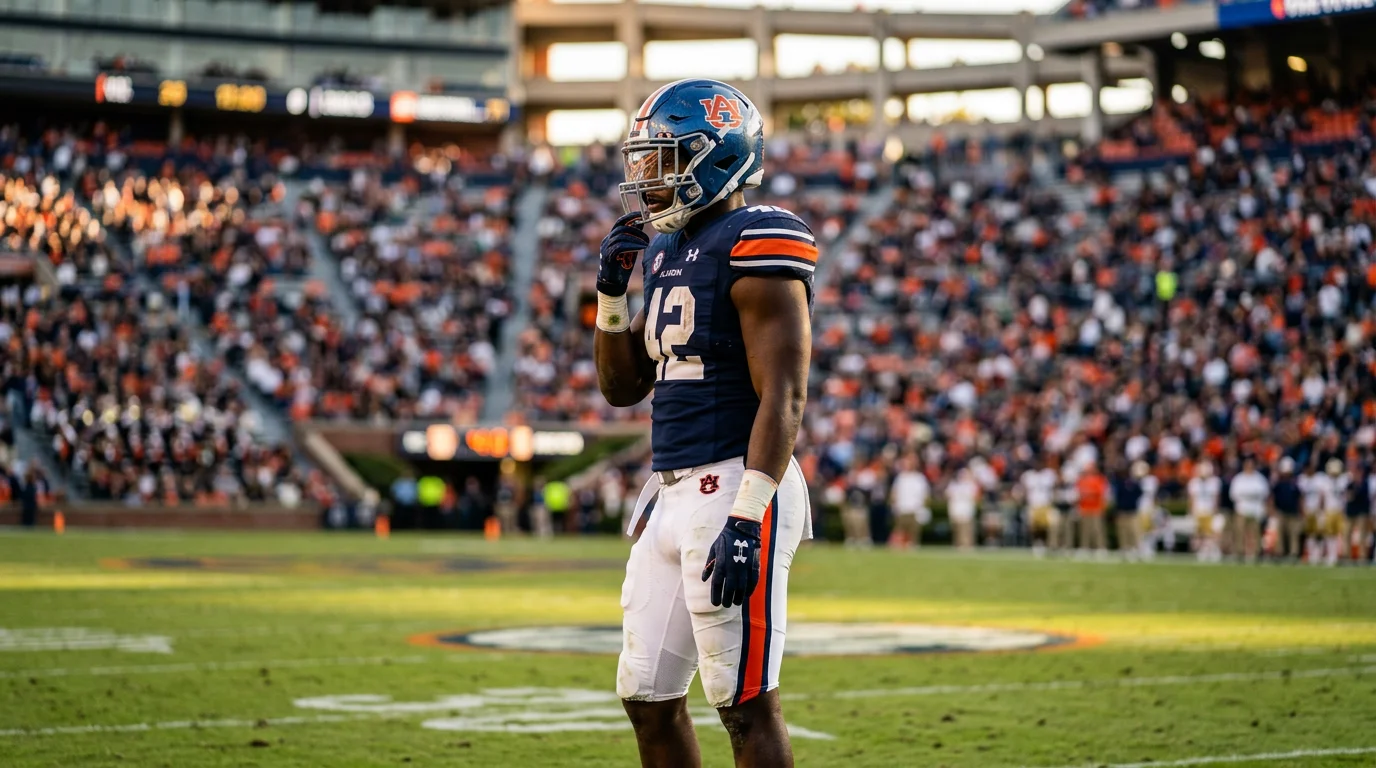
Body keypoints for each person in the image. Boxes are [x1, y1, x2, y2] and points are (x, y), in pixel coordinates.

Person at [594, 79, 814, 768]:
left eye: (663, 158)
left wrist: (748, 515)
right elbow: (622, 387)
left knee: (743, 703)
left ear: (715, 156)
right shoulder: (665, 249)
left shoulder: (757, 238)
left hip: (736, 482)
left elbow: (785, 393)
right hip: (670, 489)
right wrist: (610, 296)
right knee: (646, 696)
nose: (647, 176)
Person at [1228, 456, 1270, 563]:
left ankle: (1256, 553)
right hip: (1242, 510)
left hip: (1256, 511)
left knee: (1255, 533)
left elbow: (1265, 494)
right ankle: (1239, 553)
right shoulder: (1239, 479)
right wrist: (1251, 495)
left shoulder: (1259, 479)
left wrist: (1247, 495)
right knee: (1240, 532)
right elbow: (1233, 495)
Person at [888, 456, 930, 549]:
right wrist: (894, 505)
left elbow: (925, 494)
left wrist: (922, 507)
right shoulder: (900, 477)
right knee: (900, 530)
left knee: (913, 532)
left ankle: (912, 545)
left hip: (915, 509)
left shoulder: (920, 478)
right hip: (902, 508)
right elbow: (894, 492)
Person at [1314, 459, 1349, 567]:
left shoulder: (1344, 480)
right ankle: (1331, 556)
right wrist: (1320, 511)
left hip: (1340, 510)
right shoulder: (1325, 481)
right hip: (1329, 510)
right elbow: (1322, 497)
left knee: (1340, 534)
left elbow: (1346, 495)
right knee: (1329, 535)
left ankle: (1338, 556)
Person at [1021, 460, 1059, 557]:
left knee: (1049, 526)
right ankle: (1037, 544)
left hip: (1046, 504)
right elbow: (1024, 489)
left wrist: (1053, 498)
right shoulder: (1028, 476)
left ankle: (1050, 545)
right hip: (1033, 505)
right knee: (1034, 527)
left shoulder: (1049, 474)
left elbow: (1056, 485)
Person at [1188, 462, 1223, 563]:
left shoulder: (1214, 482)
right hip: (1198, 510)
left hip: (1209, 510)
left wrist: (1215, 510)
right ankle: (1202, 551)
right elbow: (1192, 498)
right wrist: (1192, 511)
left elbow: (1216, 497)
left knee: (1211, 533)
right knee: (1200, 533)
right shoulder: (1194, 482)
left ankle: (1211, 551)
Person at [1271, 457, 1304, 561]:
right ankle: (1280, 552)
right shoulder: (1278, 484)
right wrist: (1272, 510)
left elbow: (1300, 498)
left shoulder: (1295, 483)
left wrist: (1301, 511)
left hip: (1293, 512)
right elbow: (1272, 497)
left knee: (1293, 534)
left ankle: (1293, 553)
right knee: (1280, 533)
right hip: (1281, 512)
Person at [1075, 461, 1110, 558]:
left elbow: (1101, 493)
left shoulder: (1100, 479)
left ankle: (1101, 547)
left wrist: (1089, 494)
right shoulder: (1081, 480)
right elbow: (1079, 494)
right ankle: (1084, 547)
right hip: (1084, 508)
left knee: (1097, 529)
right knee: (1085, 530)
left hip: (1096, 508)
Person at [1111, 462, 1142, 561]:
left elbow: (1139, 494)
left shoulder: (1134, 483)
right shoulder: (1119, 483)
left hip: (1132, 511)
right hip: (1122, 511)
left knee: (1134, 531)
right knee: (1123, 532)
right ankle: (1124, 548)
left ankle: (1136, 548)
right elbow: (1116, 497)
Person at [945, 467, 980, 550]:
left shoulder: (971, 485)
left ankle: (968, 546)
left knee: (966, 530)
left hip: (966, 511)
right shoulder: (954, 485)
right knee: (957, 530)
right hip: (956, 510)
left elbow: (976, 496)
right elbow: (947, 494)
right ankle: (958, 545)